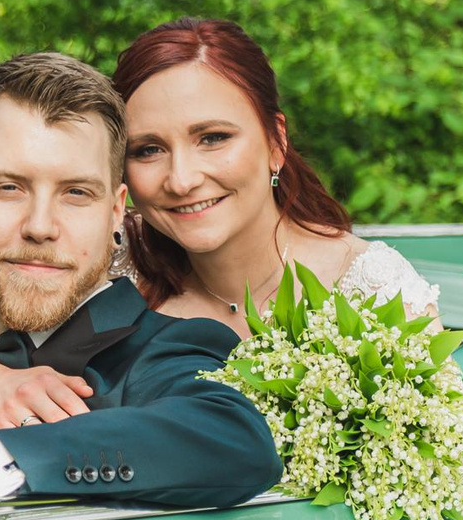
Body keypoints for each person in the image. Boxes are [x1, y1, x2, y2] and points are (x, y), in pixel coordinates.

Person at [0, 52, 281, 510]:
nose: (40, 226)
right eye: (8, 188)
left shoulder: (162, 351)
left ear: (116, 212)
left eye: (76, 193)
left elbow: (234, 439)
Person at [112, 18, 437, 335]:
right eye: (148, 150)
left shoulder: (371, 292)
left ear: (276, 142)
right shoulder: (109, 260)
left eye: (213, 138)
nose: (181, 181)